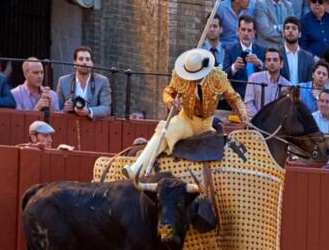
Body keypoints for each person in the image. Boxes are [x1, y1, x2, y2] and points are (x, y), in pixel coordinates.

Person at [125, 48, 246, 182]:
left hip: (207, 124)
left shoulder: (217, 77)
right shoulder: (180, 75)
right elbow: (167, 92)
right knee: (165, 129)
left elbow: (233, 98)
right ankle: (137, 168)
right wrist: (171, 101)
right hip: (187, 119)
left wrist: (243, 116)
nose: (192, 80)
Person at [55, 46, 111, 120]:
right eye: (81, 59)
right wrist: (65, 109)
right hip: (69, 124)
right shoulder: (63, 81)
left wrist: (89, 111)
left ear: (92, 63)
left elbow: (106, 108)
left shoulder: (102, 81)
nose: (84, 62)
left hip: (93, 127)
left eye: (88, 59)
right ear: (75, 63)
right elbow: (57, 109)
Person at [244, 48, 292, 119]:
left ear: (281, 64)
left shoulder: (288, 85)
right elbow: (248, 103)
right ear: (265, 64)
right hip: (256, 123)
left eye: (275, 60)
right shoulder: (254, 78)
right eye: (268, 60)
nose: (271, 62)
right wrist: (259, 119)